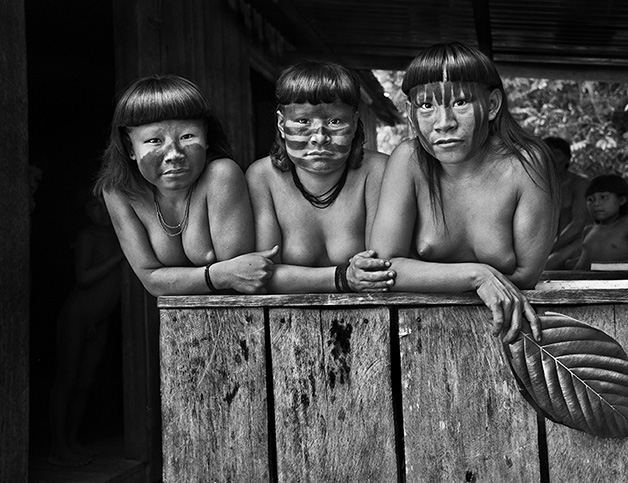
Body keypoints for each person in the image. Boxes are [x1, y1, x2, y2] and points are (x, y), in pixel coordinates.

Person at [370, 42, 559, 343]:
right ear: (410, 113)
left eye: (460, 103)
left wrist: (425, 276)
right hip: (419, 335)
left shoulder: (525, 164)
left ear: (493, 104)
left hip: (513, 337)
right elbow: (382, 268)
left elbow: (526, 275)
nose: (444, 123)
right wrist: (477, 276)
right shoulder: (408, 160)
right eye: (426, 106)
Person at [94, 74, 277, 296]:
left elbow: (239, 278)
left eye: (187, 136)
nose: (174, 154)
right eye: (155, 141)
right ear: (131, 148)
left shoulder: (221, 175)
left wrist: (213, 276)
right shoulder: (119, 191)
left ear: (206, 138)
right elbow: (151, 280)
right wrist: (219, 274)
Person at [246, 61, 395, 293]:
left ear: (354, 123)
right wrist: (342, 278)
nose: (319, 137)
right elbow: (260, 274)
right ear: (281, 124)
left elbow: (379, 268)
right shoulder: (262, 178)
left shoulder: (377, 171)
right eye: (303, 121)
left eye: (334, 121)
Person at [48, 194, 125, 467]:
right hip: (78, 316)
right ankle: (58, 446)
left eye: (106, 205)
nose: (102, 211)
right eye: (95, 205)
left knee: (85, 382)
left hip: (98, 320)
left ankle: (72, 441)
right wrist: (118, 257)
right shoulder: (88, 236)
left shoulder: (121, 235)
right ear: (86, 209)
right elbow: (83, 279)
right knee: (67, 379)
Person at [573, 174, 628, 270]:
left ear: (621, 200)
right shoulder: (588, 230)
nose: (596, 204)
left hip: (615, 282)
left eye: (603, 197)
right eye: (590, 199)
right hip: (580, 281)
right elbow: (584, 261)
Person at [543, 136, 591, 270]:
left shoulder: (579, 183)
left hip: (580, 242)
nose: (551, 159)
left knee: (544, 268)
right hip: (548, 246)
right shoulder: (538, 185)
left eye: (556, 154)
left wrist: (550, 248)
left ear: (567, 158)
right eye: (547, 154)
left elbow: (578, 223)